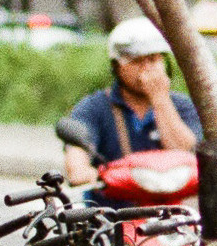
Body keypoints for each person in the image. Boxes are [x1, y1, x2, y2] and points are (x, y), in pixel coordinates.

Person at [55, 16, 200, 189]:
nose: (147, 68)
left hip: (169, 210)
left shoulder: (183, 106)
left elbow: (185, 156)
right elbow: (77, 159)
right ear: (117, 67)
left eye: (153, 59)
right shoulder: (94, 107)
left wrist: (160, 99)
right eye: (137, 61)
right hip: (112, 211)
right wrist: (82, 170)